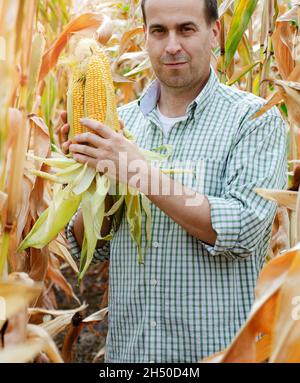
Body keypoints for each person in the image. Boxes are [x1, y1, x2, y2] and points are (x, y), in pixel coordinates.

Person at [62, 0, 287, 363]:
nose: (171, 46)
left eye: (186, 29)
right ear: (145, 37)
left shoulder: (256, 119)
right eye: (158, 31)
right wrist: (94, 178)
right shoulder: (120, 125)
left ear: (214, 33)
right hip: (130, 355)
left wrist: (139, 172)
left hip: (216, 354)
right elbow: (91, 246)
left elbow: (243, 227)